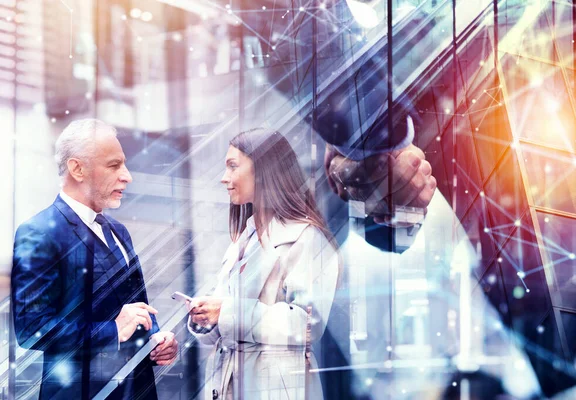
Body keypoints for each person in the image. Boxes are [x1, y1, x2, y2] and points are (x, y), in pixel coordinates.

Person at [11, 119, 178, 399]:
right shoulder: (39, 232)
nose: (127, 176)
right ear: (77, 169)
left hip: (136, 389)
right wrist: (111, 330)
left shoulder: (119, 231)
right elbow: (32, 329)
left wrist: (157, 338)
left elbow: (135, 307)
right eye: (114, 166)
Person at [187, 128, 340, 400]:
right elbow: (225, 327)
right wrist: (206, 318)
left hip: (276, 386)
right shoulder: (243, 239)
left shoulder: (307, 238)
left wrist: (227, 312)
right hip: (230, 383)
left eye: (233, 167)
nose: (224, 179)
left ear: (265, 169)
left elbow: (306, 324)